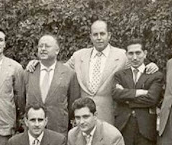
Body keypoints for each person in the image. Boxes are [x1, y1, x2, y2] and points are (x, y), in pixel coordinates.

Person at [27, 20, 158, 126]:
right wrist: (38, 63)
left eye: (102, 34)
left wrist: (150, 65)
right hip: (84, 118)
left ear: (109, 35)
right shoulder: (79, 56)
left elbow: (138, 66)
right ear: (90, 36)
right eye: (95, 34)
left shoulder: (122, 55)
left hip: (110, 116)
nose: (99, 38)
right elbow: (57, 71)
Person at [23, 34, 80, 135]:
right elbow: (21, 99)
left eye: (47, 46)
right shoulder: (29, 72)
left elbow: (73, 104)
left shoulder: (69, 74)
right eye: (40, 46)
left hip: (58, 128)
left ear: (57, 50)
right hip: (33, 129)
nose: (43, 49)